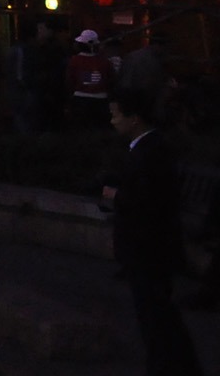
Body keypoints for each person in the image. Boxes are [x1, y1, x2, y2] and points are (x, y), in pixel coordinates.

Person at [103, 88, 205, 376]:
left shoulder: (151, 152)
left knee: (156, 315)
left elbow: (148, 200)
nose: (113, 121)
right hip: (148, 246)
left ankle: (169, 366)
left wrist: (115, 195)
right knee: (158, 314)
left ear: (134, 118)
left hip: (148, 247)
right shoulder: (148, 149)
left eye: (116, 115)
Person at [68, 29, 116, 130]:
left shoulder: (74, 60)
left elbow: (70, 80)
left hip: (80, 99)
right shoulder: (104, 62)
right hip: (101, 100)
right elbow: (111, 80)